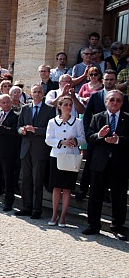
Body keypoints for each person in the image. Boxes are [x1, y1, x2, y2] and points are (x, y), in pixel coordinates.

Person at [82, 90, 129, 240]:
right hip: (99, 163)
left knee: (119, 197)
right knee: (95, 196)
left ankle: (117, 227)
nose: (115, 103)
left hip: (119, 164)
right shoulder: (97, 117)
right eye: (112, 100)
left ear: (122, 103)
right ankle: (93, 225)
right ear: (106, 102)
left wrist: (118, 140)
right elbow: (89, 138)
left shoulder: (127, 119)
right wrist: (99, 136)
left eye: (118, 100)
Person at [15, 84, 56, 219]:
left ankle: (36, 209)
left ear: (43, 94)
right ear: (31, 94)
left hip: (40, 149)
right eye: (34, 92)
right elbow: (18, 127)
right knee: (26, 180)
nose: (37, 94)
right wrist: (22, 130)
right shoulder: (25, 108)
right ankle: (26, 206)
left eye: (39, 92)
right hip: (26, 148)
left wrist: (36, 130)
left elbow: (51, 130)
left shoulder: (50, 110)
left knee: (37, 180)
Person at [45, 96, 86, 228]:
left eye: (70, 105)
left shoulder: (77, 122)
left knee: (67, 188)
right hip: (56, 156)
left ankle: (63, 216)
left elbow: (82, 139)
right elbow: (48, 139)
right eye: (65, 105)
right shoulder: (52, 122)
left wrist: (75, 141)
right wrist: (61, 142)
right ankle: (54, 214)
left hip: (71, 157)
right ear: (59, 106)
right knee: (56, 187)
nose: (68, 107)